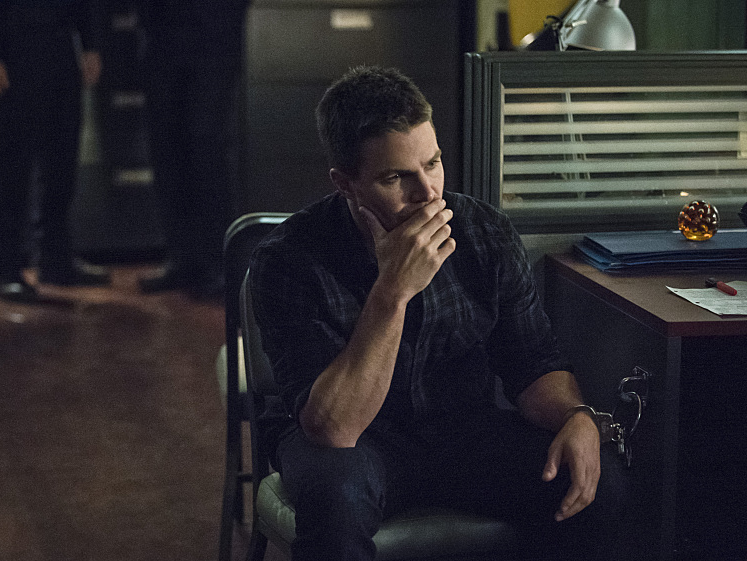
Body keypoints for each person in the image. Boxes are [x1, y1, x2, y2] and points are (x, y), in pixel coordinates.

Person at [248, 66, 629, 561]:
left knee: (598, 480)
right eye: (395, 177)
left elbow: (533, 362)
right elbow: (334, 427)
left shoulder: (483, 231)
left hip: (463, 431)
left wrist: (576, 417)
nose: (428, 193)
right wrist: (392, 291)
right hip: (353, 444)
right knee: (336, 497)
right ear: (346, 184)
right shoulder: (288, 259)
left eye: (432, 163)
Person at [0, 0, 110, 302]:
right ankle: (2, 268)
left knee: (62, 155)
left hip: (61, 42)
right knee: (13, 159)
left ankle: (55, 257)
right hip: (15, 45)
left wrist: (90, 44)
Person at [137, 1, 249, 299]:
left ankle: (219, 265)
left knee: (207, 149)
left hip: (213, 38)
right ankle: (182, 259)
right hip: (162, 36)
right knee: (167, 149)